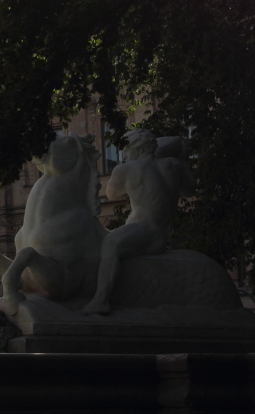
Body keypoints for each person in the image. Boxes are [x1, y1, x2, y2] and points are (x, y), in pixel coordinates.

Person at [81, 129, 196, 316]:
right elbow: (189, 190)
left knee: (109, 243)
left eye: (125, 150)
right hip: (159, 234)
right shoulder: (173, 165)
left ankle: (100, 300)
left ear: (137, 148)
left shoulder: (125, 169)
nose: (124, 155)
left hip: (143, 230)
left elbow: (111, 194)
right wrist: (181, 158)